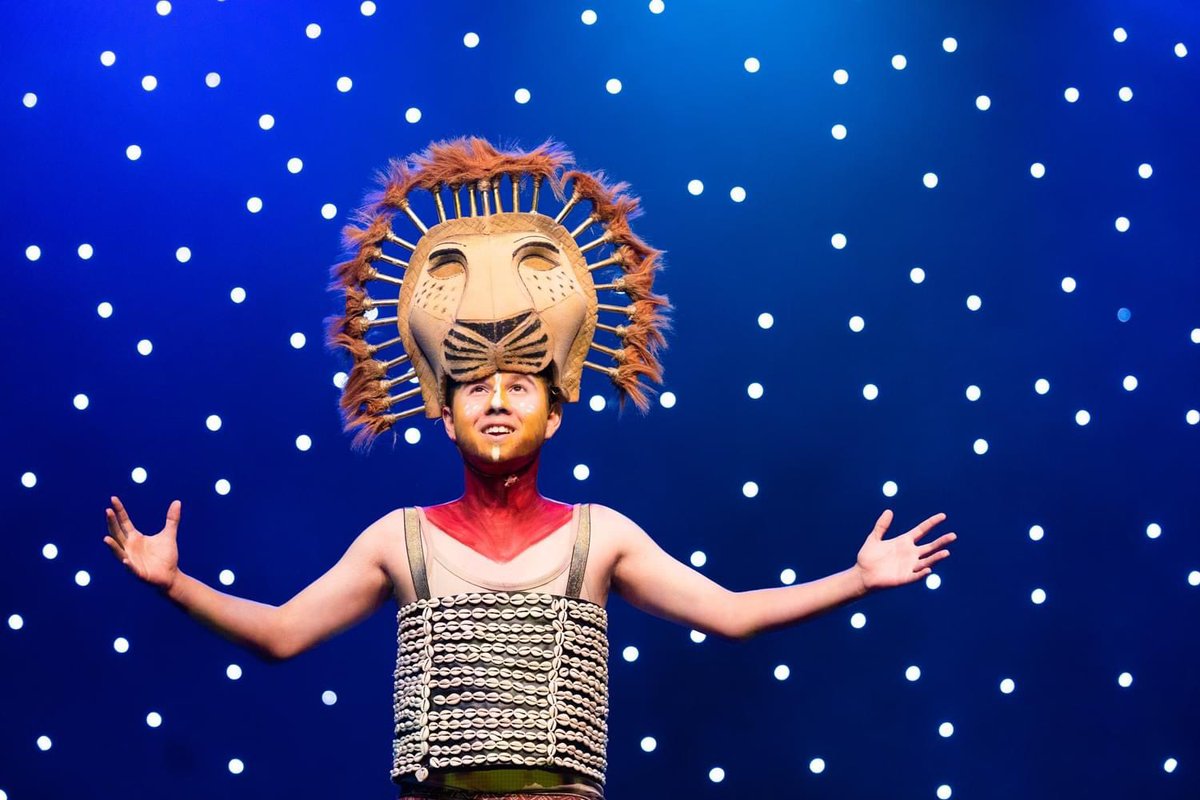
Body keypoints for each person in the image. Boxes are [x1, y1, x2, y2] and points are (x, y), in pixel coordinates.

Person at [103, 138, 956, 800]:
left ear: (555, 410)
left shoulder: (601, 537)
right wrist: (174, 584)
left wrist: (855, 577)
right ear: (443, 410)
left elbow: (730, 615)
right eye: (475, 385)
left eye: (520, 385)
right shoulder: (400, 543)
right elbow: (284, 634)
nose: (497, 400)